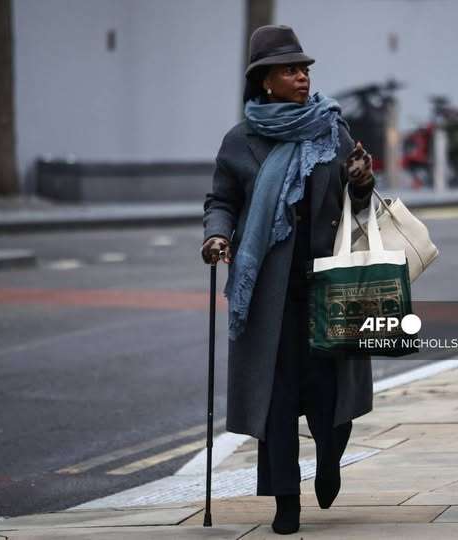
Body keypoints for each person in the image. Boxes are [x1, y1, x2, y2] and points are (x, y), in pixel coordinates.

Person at [201, 25, 375, 535]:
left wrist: (362, 179)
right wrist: (217, 237)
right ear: (265, 81)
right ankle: (285, 502)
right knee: (276, 401)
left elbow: (357, 201)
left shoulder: (331, 128)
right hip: (268, 299)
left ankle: (329, 459)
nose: (302, 77)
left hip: (329, 288)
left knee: (330, 394)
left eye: (305, 69)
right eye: (290, 70)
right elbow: (222, 201)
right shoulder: (240, 141)